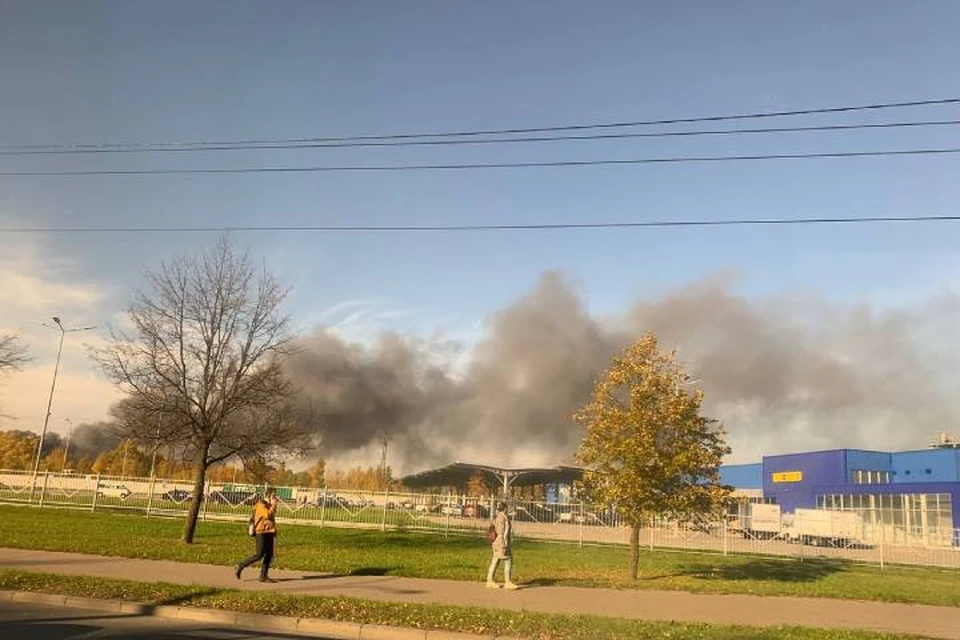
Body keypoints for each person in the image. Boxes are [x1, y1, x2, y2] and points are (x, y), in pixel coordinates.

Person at [235, 490, 279, 583]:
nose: (275, 499)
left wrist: (274, 530)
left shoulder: (269, 506)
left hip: (269, 531)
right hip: (261, 532)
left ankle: (263, 576)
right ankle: (241, 565)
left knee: (269, 554)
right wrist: (273, 506)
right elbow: (267, 515)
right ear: (268, 496)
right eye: (273, 496)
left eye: (275, 496)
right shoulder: (261, 504)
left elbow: (272, 519)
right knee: (259, 555)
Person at [485, 500, 519, 590]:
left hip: (498, 542)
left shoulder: (500, 516)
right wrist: (504, 543)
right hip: (501, 542)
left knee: (495, 560)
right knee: (508, 560)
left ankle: (490, 580)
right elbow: (501, 532)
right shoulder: (502, 518)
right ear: (505, 509)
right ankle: (507, 582)